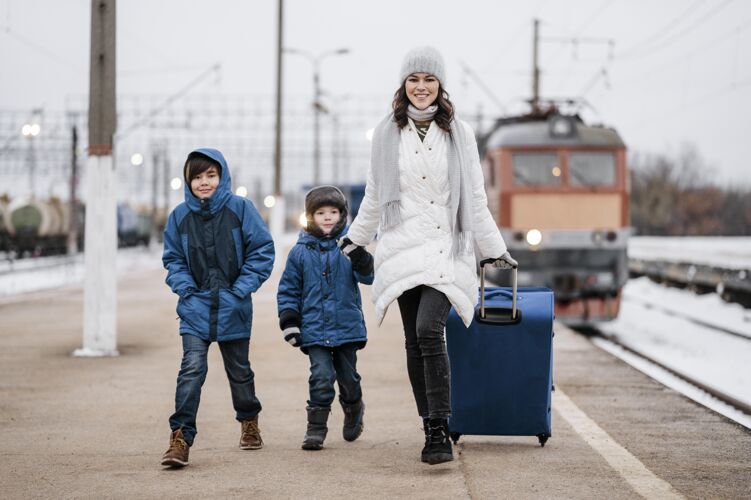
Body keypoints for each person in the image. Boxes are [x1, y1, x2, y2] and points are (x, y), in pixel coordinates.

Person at [339, 47, 517, 465]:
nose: (421, 87)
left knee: (427, 330)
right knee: (412, 342)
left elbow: (475, 198)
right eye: (414, 79)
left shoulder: (460, 133)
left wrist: (495, 252)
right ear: (404, 85)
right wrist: (356, 239)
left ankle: (440, 428)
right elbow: (377, 196)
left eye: (429, 80)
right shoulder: (386, 134)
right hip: (400, 248)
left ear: (441, 85)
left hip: (444, 248)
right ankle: (429, 428)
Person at [160, 148, 275, 467]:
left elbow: (262, 251)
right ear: (188, 181)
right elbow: (173, 258)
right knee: (192, 370)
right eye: (197, 176)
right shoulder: (179, 217)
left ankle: (249, 421)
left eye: (210, 175)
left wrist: (240, 290)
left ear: (222, 176)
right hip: (195, 310)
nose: (204, 182)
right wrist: (185, 288)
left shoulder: (241, 209)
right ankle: (180, 437)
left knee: (239, 373)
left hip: (233, 308)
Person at [277, 185, 374, 450]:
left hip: (346, 327)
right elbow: (288, 289)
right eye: (320, 213)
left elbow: (369, 277)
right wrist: (289, 321)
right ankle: (316, 428)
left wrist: (361, 258)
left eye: (333, 211)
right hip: (314, 329)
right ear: (310, 217)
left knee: (348, 377)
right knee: (320, 375)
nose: (327, 217)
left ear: (342, 215)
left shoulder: (350, 247)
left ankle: (354, 408)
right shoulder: (299, 252)